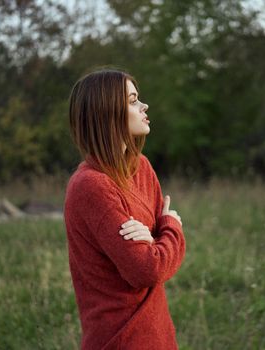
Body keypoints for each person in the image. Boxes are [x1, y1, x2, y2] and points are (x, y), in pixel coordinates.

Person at [64, 69, 186, 350]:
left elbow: (156, 256)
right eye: (132, 101)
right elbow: (147, 269)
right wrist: (172, 227)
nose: (143, 106)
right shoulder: (91, 186)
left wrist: (157, 236)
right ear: (107, 113)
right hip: (120, 338)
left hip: (158, 334)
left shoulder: (141, 167)